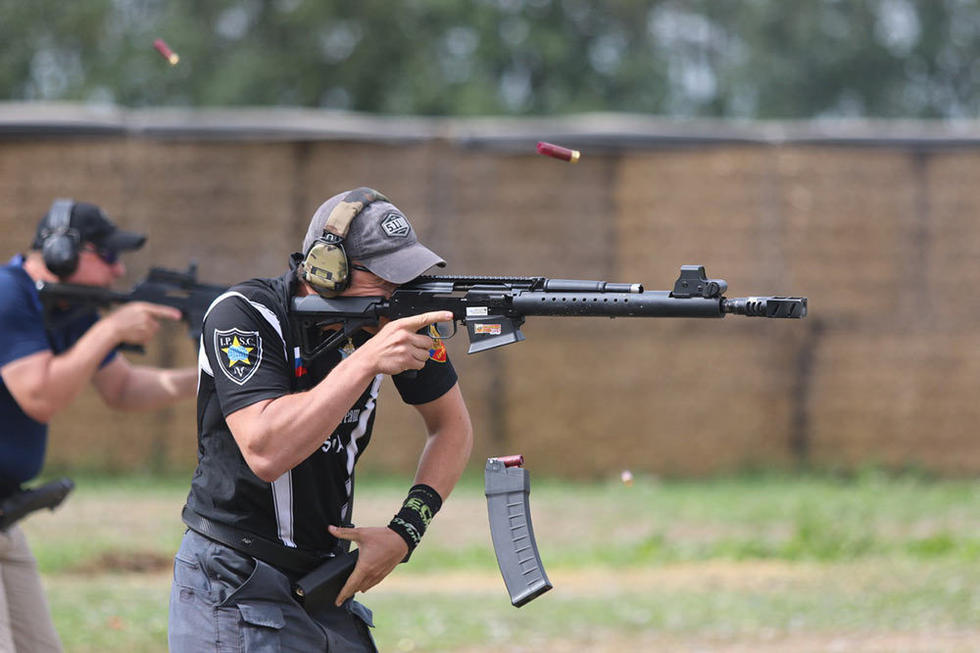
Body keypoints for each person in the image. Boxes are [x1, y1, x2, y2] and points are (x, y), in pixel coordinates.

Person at [168, 188, 473, 652]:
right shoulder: (244, 315)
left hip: (325, 585)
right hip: (234, 580)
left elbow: (452, 427)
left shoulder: (389, 325)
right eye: (388, 278)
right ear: (326, 268)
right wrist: (366, 361)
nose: (400, 292)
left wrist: (406, 531)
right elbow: (265, 450)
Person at [0, 199, 198, 652]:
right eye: (107, 256)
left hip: (7, 519)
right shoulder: (7, 293)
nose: (116, 272)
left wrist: (210, 380)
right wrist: (109, 331)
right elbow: (40, 397)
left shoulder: (69, 310)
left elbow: (123, 389)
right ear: (63, 252)